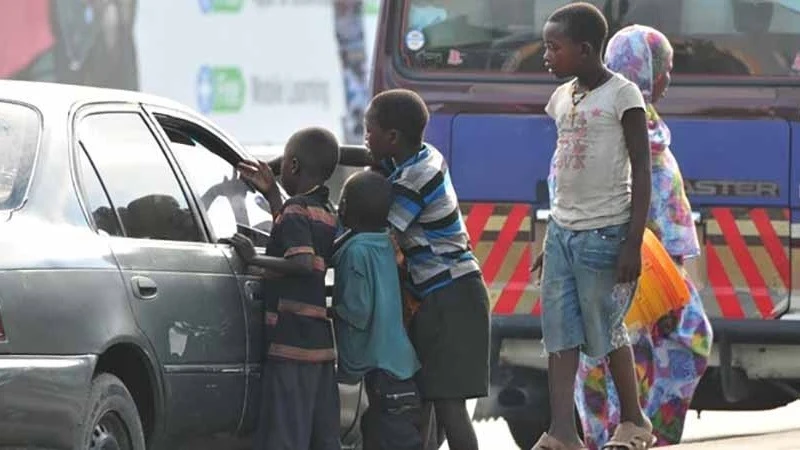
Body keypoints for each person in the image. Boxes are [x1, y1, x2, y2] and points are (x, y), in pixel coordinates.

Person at [574, 25, 713, 449]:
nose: (668, 79)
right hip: (626, 261)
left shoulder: (638, 118)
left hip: (653, 265)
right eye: (664, 69)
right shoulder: (611, 119)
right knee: (631, 358)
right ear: (642, 70)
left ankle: (642, 436)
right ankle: (623, 438)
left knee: (677, 345)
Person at [530, 3, 655, 449]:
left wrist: (632, 244)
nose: (546, 55)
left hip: (606, 232)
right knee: (558, 334)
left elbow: (642, 170)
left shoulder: (623, 96)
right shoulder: (562, 97)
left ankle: (634, 421)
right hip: (564, 232)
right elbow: (560, 167)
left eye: (553, 47)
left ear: (584, 50)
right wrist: (551, 239)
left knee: (605, 330)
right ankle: (562, 431)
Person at [357, 89, 490, 450]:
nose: (365, 138)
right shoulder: (424, 156)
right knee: (430, 400)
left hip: (452, 297)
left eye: (369, 131)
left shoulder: (414, 180)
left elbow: (383, 238)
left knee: (449, 406)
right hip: (443, 295)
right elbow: (377, 164)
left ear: (392, 137)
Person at [230, 127, 341, 450]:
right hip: (319, 345)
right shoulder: (324, 211)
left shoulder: (295, 210)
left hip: (291, 343)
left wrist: (255, 258)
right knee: (321, 437)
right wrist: (273, 196)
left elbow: (303, 262)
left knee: (285, 435)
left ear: (292, 166)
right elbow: (298, 233)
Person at [332, 170, 423, 450]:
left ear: (345, 206)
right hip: (400, 363)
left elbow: (357, 310)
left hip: (379, 368)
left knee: (385, 437)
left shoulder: (354, 251)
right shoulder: (385, 243)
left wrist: (332, 312)